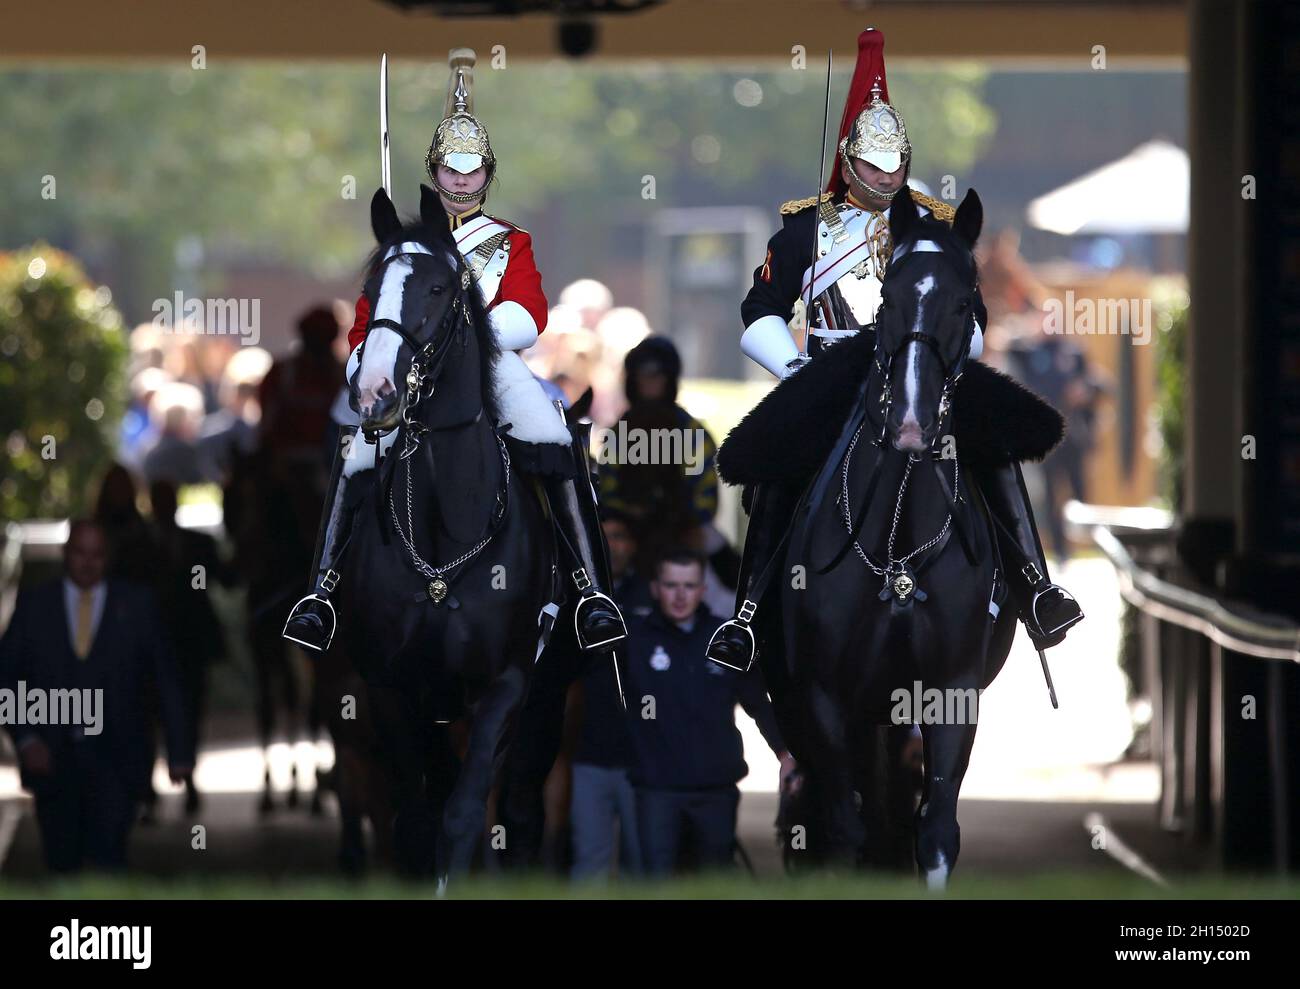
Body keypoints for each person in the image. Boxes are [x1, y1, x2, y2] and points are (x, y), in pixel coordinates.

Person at [706, 27, 1083, 673]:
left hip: (924, 373)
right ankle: (747, 617)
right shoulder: (806, 228)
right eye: (873, 163)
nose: (886, 175)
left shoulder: (936, 227)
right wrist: (796, 371)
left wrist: (946, 358)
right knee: (772, 466)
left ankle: (1036, 587)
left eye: (895, 163)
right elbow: (760, 311)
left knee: (993, 447)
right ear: (849, 160)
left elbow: (973, 314)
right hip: (830, 373)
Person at [283, 48, 627, 657]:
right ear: (434, 171)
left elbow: (530, 310)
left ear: (488, 174)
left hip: (490, 365)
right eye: (451, 170)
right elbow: (371, 318)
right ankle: (323, 592)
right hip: (410, 371)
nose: (463, 181)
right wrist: (366, 362)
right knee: (359, 451)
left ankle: (590, 589)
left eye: (473, 170)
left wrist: (476, 340)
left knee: (554, 436)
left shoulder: (508, 239)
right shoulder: (409, 242)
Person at [0, 520, 193, 872]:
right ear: (65, 554)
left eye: (97, 555)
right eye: (80, 553)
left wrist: (179, 751)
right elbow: (5, 677)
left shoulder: (138, 605)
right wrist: (26, 739)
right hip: (52, 757)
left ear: (109, 558)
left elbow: (166, 680)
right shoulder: (34, 605)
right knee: (61, 860)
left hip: (118, 758)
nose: (88, 563)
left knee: (110, 858)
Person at [622, 548, 794, 876]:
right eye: (671, 585)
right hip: (656, 789)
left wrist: (785, 753)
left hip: (716, 790)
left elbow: (758, 704)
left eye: (689, 585)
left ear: (703, 589)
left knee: (714, 884)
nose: (680, 595)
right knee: (655, 888)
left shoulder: (726, 639)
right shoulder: (633, 639)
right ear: (656, 588)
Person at [568, 509, 653, 882]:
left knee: (644, 870)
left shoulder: (659, 595)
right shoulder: (574, 603)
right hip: (589, 759)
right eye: (605, 538)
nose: (613, 546)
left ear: (633, 546)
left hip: (645, 763)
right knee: (589, 869)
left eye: (620, 537)